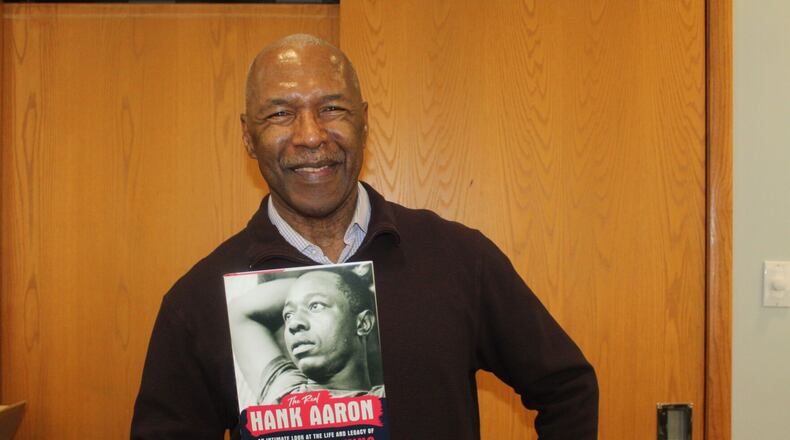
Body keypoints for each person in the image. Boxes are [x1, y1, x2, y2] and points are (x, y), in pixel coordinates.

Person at [131, 34, 598, 439]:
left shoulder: (458, 259)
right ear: (248, 137)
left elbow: (567, 388)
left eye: (332, 108)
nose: (311, 136)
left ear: (365, 121)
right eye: (279, 114)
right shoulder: (197, 301)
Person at [227, 267, 384, 405]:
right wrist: (308, 282)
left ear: (363, 323)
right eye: (288, 315)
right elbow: (238, 311)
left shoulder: (386, 402)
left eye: (315, 306)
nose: (293, 324)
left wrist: (353, 285)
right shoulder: (284, 390)